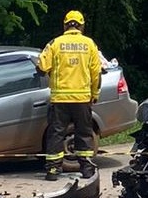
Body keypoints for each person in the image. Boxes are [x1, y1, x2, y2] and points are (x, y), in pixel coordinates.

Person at [37, 10, 103, 181]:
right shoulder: (89, 44)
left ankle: (53, 170)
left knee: (57, 133)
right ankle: (86, 168)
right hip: (82, 99)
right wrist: (94, 93)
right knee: (84, 133)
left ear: (65, 25)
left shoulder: (55, 43)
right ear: (81, 25)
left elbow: (42, 66)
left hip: (60, 99)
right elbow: (96, 73)